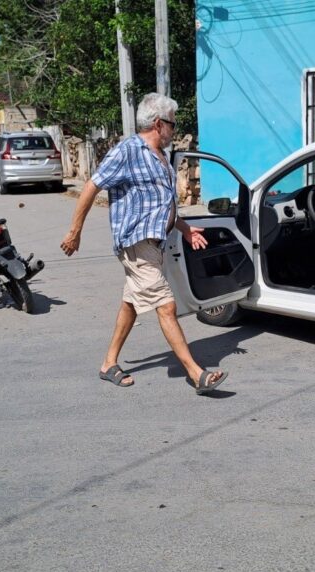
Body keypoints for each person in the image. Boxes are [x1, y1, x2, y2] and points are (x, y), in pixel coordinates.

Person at [60, 93, 228, 395]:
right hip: (135, 243)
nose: (174, 131)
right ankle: (196, 374)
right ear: (158, 123)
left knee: (132, 304)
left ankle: (108, 363)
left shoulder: (161, 157)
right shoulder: (128, 151)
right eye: (172, 125)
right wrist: (75, 231)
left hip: (154, 245)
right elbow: (91, 185)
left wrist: (186, 229)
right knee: (166, 305)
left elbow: (160, 204)